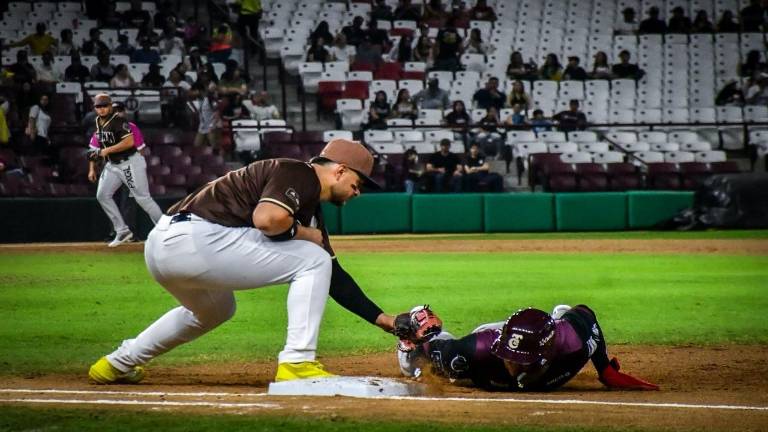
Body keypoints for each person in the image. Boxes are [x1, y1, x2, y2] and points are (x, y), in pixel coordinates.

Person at [88, 138, 406, 384]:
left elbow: (333, 274)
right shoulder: (299, 173)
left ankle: (117, 363)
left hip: (165, 246)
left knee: (215, 309)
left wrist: (386, 321)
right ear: (339, 170)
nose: (358, 192)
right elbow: (268, 219)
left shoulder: (305, 196)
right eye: (358, 182)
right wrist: (304, 234)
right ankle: (297, 361)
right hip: (196, 240)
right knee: (311, 258)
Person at [396, 304, 659, 392]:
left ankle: (554, 316)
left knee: (564, 311)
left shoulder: (574, 346)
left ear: (544, 355)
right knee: (416, 366)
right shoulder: (475, 350)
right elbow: (429, 354)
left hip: (552, 331)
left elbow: (586, 315)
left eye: (520, 361)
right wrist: (414, 340)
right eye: (510, 358)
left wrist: (605, 370)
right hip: (487, 343)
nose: (512, 366)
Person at [87, 94, 162, 246]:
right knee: (102, 195)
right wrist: (94, 162)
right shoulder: (98, 123)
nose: (101, 109)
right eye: (98, 107)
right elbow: (94, 149)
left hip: (129, 163)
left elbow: (129, 142)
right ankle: (122, 231)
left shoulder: (119, 121)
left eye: (104, 106)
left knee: (143, 198)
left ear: (110, 106)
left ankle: (165, 230)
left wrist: (106, 151)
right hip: (113, 165)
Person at [192, 82, 223, 148]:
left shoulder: (212, 100)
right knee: (196, 145)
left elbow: (217, 114)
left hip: (211, 126)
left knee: (214, 146)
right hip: (202, 126)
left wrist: (213, 125)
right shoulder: (201, 100)